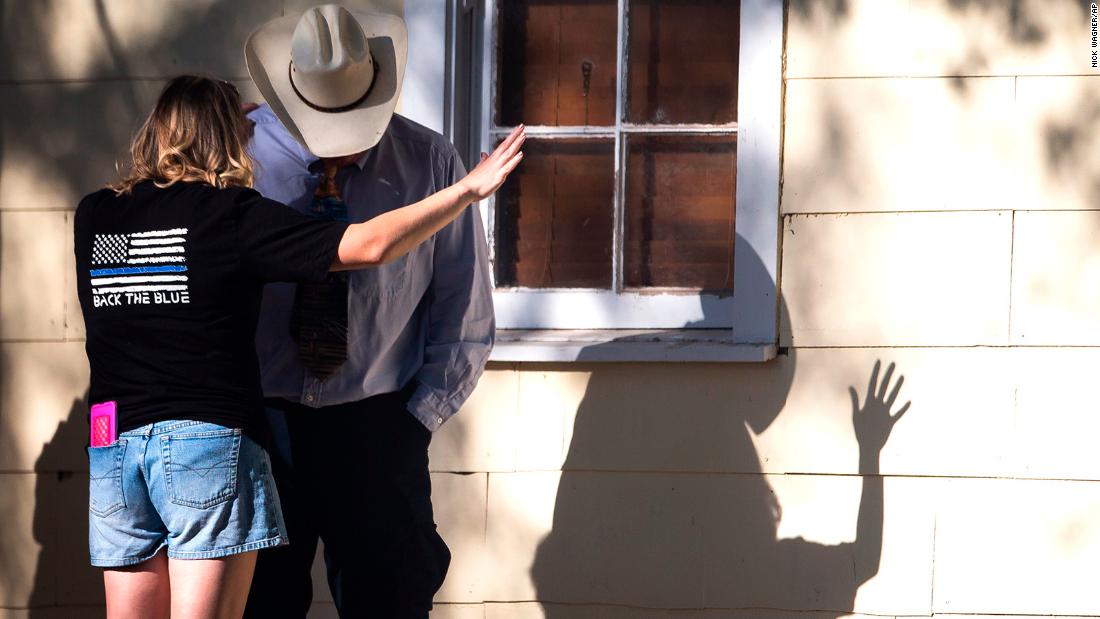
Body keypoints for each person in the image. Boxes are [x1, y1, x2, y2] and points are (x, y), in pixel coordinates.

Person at [75, 74, 524, 619]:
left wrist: (411, 423)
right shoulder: (232, 217)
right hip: (213, 441)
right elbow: (369, 243)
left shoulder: (94, 215)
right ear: (231, 138)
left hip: (114, 443)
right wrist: (467, 190)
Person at [240, 4, 497, 617]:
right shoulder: (237, 158)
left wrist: (414, 422)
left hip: (377, 423)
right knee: (260, 603)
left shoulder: (429, 163)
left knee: (391, 601)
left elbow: (464, 309)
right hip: (260, 426)